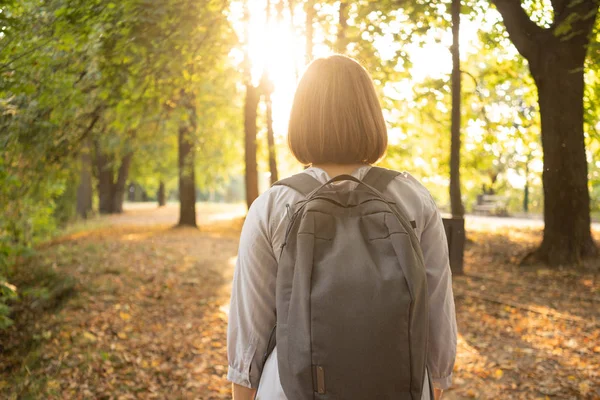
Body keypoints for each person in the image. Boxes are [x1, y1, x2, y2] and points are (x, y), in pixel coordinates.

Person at [227, 55, 457, 400]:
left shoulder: (272, 207)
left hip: (291, 388)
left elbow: (249, 338)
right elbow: (438, 320)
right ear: (370, 116)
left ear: (301, 118)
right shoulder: (413, 199)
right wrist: (433, 385)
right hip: (399, 385)